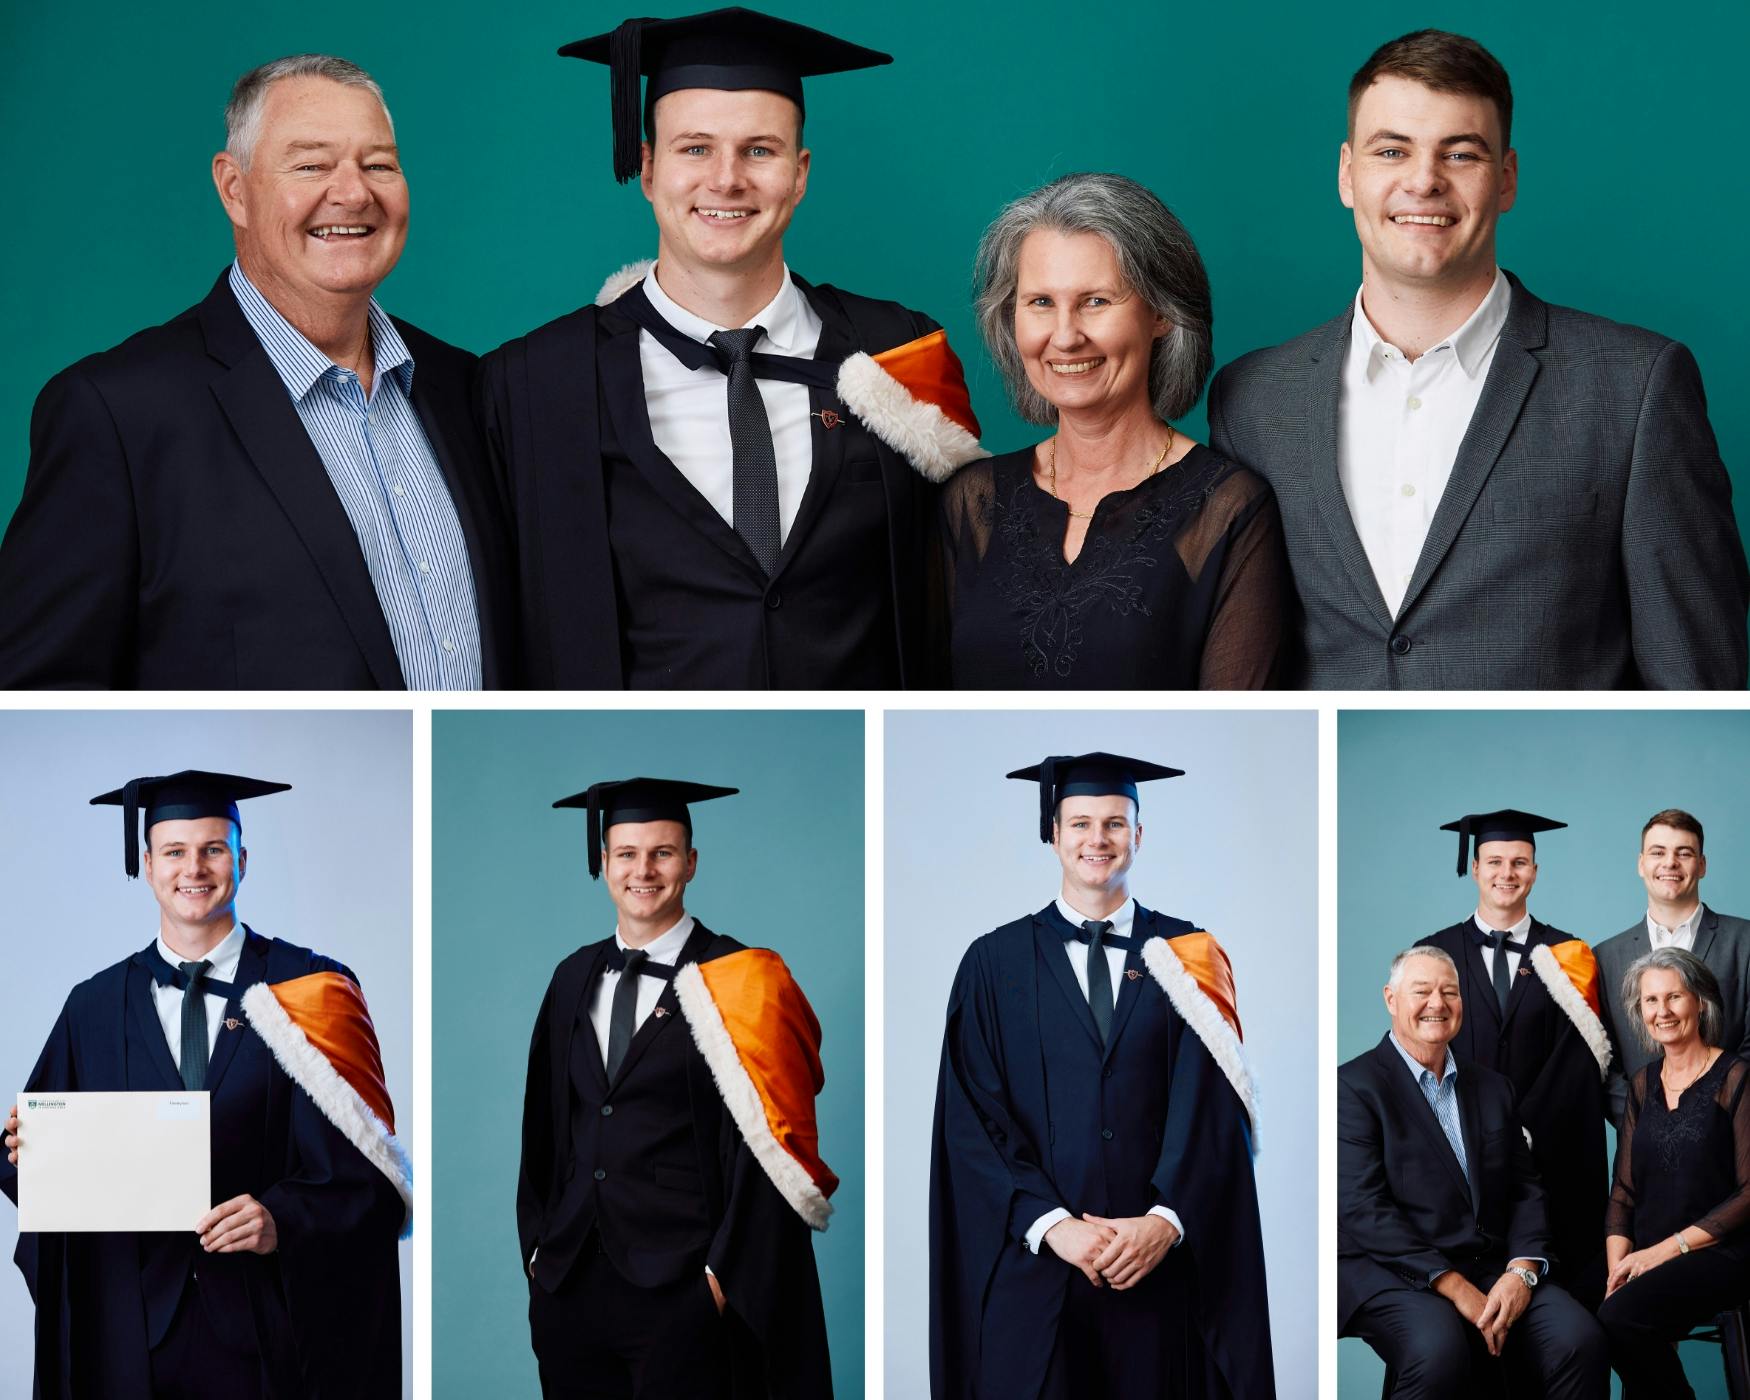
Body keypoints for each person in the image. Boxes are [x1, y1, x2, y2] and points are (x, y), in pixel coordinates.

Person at [1206, 28, 1748, 689]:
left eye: (1460, 154)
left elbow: (1700, 688)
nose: (1424, 181)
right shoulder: (1253, 400)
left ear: (1507, 179)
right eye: (1392, 150)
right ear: (1348, 174)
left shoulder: (1637, 388)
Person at [479, 8, 985, 689]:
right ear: (648, 167)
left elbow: (972, 585)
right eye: (695, 149)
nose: (726, 179)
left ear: (799, 173)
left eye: (759, 150)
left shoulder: (901, 351)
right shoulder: (536, 382)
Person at [0, 54, 514, 690]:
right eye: (311, 165)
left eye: (378, 164)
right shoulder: (118, 415)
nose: (354, 193)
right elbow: (31, 698)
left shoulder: (468, 389)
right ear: (234, 189)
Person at [1, 771, 408, 1398]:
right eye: (174, 851)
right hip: (130, 1338)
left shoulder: (312, 989)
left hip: (271, 1333)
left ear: (242, 859)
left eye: (213, 848)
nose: (195, 867)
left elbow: (372, 1180)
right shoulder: (94, 1006)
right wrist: (26, 1150)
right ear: (146, 864)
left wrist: (283, 1220)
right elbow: (39, 1179)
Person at [930, 752, 1272, 1398]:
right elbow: (972, 1118)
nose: (1098, 840)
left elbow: (1213, 1108)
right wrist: (1054, 1226)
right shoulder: (992, 962)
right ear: (1053, 835)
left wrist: (1163, 1221)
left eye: (1115, 824)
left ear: (1139, 835)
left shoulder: (1189, 954)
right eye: (1081, 823)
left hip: (1161, 1274)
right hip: (1037, 1269)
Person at [518, 778, 837, 1399]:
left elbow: (775, 1157)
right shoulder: (572, 976)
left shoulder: (743, 980)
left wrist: (720, 1279)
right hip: (572, 1282)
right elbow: (544, 1127)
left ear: (690, 862)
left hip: (686, 1288)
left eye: (663, 852)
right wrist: (538, 1253)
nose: (645, 870)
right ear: (602, 861)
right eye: (627, 854)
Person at [943, 173, 1288, 688]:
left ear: (1162, 313)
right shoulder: (974, 502)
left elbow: (1236, 725)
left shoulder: (1227, 511)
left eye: (1096, 301)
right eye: (1040, 302)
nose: (1064, 336)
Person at [1338, 947, 1608, 1397]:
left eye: (1450, 992)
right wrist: (1456, 1288)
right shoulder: (1353, 1086)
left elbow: (1525, 1190)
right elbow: (1363, 1209)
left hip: (1493, 1265)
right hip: (1393, 1270)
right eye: (1421, 991)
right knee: (1439, 1352)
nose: (1437, 1004)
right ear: (1391, 999)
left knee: (1580, 1340)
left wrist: (1521, 1272)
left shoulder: (1492, 1088)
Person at [1416, 809, 1610, 1307]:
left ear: (1535, 871)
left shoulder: (1570, 955)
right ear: (1475, 867)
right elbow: (1419, 1053)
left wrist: (1514, 1130)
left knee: (1553, 1314)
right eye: (1496, 861)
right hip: (1460, 1160)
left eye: (1520, 862)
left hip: (1551, 1162)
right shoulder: (1432, 953)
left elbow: (1580, 1061)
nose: (1508, 873)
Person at [1599, 948, 1750, 1397]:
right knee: (1607, 1314)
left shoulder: (1736, 1078)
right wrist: (1617, 1273)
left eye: (1674, 997)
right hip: (1650, 1254)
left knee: (1621, 1320)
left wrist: (1663, 1252)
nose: (1662, 1011)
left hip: (1724, 1253)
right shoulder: (1643, 1084)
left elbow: (1749, 1193)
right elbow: (1623, 1193)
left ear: (1699, 1002)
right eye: (1650, 1001)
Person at [1596, 810, 1750, 1123]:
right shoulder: (1606, 957)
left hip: (1731, 1136)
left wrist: (1717, 1112)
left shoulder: (1745, 941)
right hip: (1642, 1146)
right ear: (1641, 864)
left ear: (1702, 865)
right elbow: (1604, 1061)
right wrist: (1647, 1121)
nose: (1670, 863)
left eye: (1684, 853)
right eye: (1658, 852)